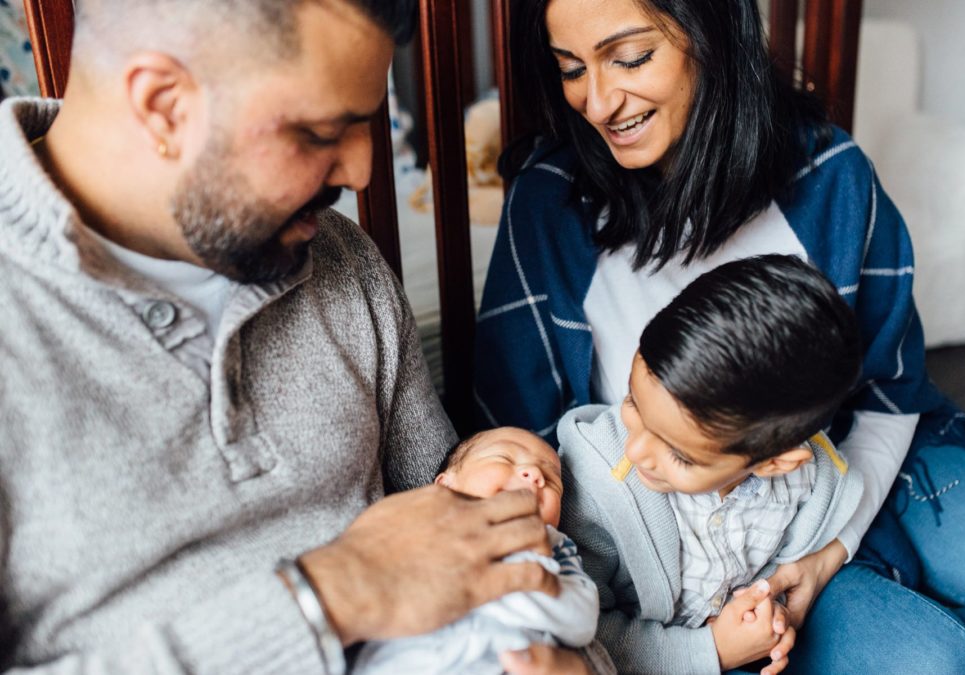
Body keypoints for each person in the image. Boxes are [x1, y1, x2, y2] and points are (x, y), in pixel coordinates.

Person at [473, 0, 965, 672]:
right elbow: (521, 440)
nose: (598, 101)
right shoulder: (548, 204)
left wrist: (833, 550)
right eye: (570, 69)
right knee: (960, 662)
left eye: (631, 57)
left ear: (710, 32)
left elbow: (887, 390)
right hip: (709, 548)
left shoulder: (831, 177)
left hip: (875, 465)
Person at [0, 1, 591, 673]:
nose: (363, 173)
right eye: (319, 132)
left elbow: (490, 543)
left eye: (366, 123)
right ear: (163, 104)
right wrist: (327, 595)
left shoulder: (341, 261)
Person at [557, 255, 865, 675]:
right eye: (633, 402)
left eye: (680, 455)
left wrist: (771, 616)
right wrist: (712, 650)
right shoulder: (594, 487)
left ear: (775, 463)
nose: (636, 452)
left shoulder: (811, 481)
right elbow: (578, 635)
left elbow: (807, 551)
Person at [356, 427, 603, 673]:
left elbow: (582, 622)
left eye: (552, 482)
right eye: (504, 458)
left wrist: (500, 590)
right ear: (444, 487)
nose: (536, 474)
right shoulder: (419, 528)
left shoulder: (553, 544)